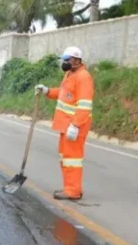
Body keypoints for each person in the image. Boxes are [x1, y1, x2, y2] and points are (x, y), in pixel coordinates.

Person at [36, 46, 95, 201]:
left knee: (72, 159)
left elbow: (84, 105)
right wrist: (47, 91)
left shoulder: (83, 77)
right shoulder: (70, 74)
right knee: (66, 158)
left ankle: (73, 191)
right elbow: (63, 93)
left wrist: (75, 126)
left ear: (76, 60)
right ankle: (69, 188)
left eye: (67, 59)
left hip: (74, 127)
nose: (64, 62)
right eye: (64, 59)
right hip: (66, 126)